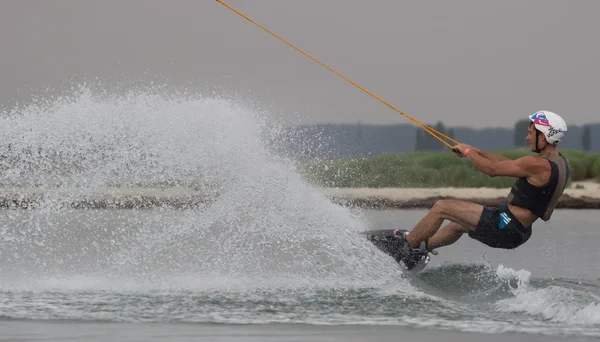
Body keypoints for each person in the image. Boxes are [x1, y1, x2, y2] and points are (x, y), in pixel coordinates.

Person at [385, 110, 570, 265]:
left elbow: (492, 170)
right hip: (517, 229)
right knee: (457, 224)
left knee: (442, 207)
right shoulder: (558, 162)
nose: (527, 137)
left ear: (544, 137)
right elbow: (507, 162)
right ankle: (422, 248)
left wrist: (467, 152)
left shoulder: (538, 164)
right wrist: (472, 151)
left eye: (531, 133)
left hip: (505, 226)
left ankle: (403, 249)